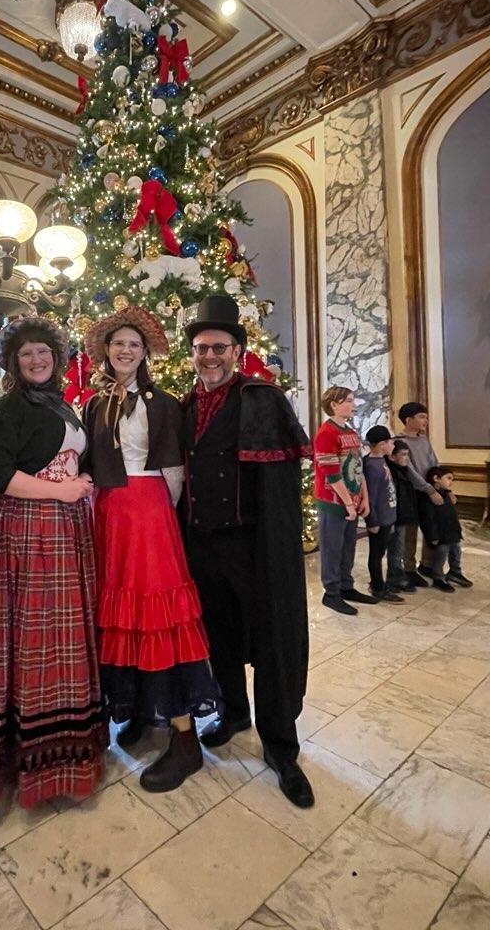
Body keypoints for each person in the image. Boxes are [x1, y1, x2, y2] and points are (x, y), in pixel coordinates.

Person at [0, 315, 108, 808]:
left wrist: (81, 485)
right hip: (26, 530)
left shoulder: (62, 404)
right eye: (26, 353)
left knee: (61, 636)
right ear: (14, 363)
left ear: (56, 357)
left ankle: (66, 752)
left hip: (65, 529)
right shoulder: (7, 407)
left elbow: (76, 459)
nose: (37, 360)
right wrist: (60, 492)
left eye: (44, 352)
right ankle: (24, 757)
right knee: (32, 636)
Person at [181, 295, 315, 809]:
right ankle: (234, 712)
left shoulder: (261, 399)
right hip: (201, 545)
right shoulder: (184, 406)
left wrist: (276, 549)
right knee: (220, 637)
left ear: (237, 351)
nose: (209, 357)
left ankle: (281, 747)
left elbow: (280, 488)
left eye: (219, 348)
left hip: (252, 546)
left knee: (272, 641)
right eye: (201, 348)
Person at [82, 307, 218, 793]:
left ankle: (185, 739)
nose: (126, 350)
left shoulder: (163, 404)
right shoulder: (92, 404)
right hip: (108, 514)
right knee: (120, 615)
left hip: (148, 513)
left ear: (145, 354)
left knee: (156, 614)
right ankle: (139, 708)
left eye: (134, 345)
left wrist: (159, 512)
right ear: (106, 350)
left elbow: (175, 470)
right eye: (118, 343)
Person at [313, 386, 374, 615]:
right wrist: (347, 502)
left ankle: (346, 586)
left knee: (348, 546)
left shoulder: (351, 432)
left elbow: (358, 467)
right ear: (334, 404)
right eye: (348, 400)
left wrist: (364, 498)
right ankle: (331, 592)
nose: (353, 405)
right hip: (333, 501)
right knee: (332, 547)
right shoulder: (326, 433)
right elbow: (331, 473)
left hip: (352, 499)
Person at [397, 401, 444, 585]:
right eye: (422, 417)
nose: (426, 420)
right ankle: (409, 568)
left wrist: (439, 481)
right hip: (412, 492)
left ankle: (427, 564)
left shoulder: (424, 439)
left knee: (431, 527)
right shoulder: (400, 442)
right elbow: (409, 471)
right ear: (409, 420)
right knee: (410, 531)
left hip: (430, 489)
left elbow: (434, 462)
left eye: (426, 417)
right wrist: (427, 488)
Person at [362, 426, 404, 604]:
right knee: (377, 553)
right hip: (379, 518)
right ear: (382, 444)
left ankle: (380, 583)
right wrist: (372, 520)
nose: (393, 445)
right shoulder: (372, 466)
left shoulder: (381, 461)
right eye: (390, 442)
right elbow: (370, 496)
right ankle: (378, 586)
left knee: (381, 551)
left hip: (388, 515)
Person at [420, 466, 474, 591]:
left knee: (456, 552)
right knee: (441, 555)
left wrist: (458, 530)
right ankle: (438, 577)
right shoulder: (428, 497)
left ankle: (455, 572)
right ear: (436, 478)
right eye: (448, 478)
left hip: (452, 532)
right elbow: (428, 519)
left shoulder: (446, 494)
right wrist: (432, 536)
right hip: (440, 534)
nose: (451, 482)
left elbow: (452, 515)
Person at [385, 440, 419, 594]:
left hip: (402, 515)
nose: (407, 458)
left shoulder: (403, 471)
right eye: (403, 454)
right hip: (395, 516)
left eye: (407, 455)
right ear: (392, 457)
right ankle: (394, 577)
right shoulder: (391, 473)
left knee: (399, 547)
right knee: (395, 548)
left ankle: (398, 575)